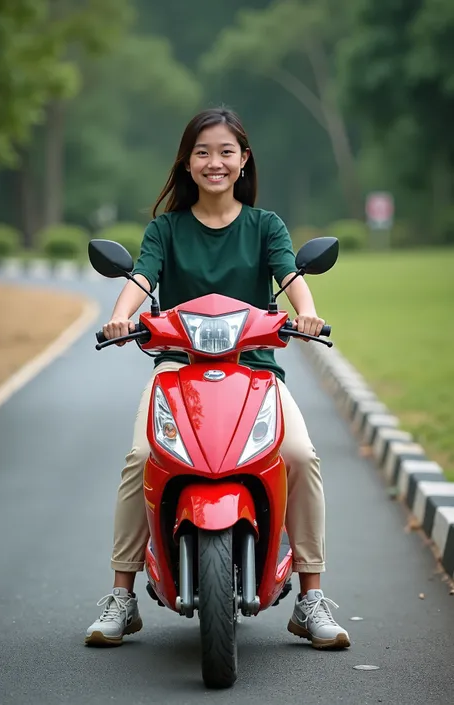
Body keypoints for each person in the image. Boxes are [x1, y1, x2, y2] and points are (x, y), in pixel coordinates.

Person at [85, 107, 350, 650]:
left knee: (299, 455)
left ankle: (311, 596)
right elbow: (141, 273)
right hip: (177, 370)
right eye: (203, 152)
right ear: (186, 162)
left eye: (226, 152)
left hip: (254, 373)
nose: (215, 162)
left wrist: (307, 312)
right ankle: (122, 594)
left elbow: (291, 274)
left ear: (243, 160)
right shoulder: (167, 228)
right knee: (142, 457)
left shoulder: (265, 225)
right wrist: (120, 313)